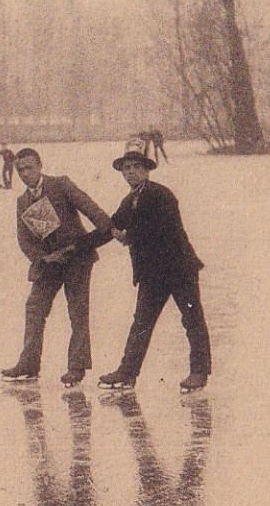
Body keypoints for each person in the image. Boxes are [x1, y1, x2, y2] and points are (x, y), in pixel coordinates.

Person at [85, 148, 210, 391]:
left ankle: (199, 372)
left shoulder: (161, 194)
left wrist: (129, 236)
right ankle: (127, 373)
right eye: (126, 168)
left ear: (146, 170)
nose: (130, 172)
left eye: (135, 167)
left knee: (192, 320)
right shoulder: (129, 200)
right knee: (141, 322)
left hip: (178, 268)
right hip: (152, 274)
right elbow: (112, 227)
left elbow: (160, 228)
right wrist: (78, 246)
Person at [1, 148, 112, 387]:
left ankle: (77, 367)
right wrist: (44, 258)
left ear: (40, 166)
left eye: (30, 167)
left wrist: (108, 230)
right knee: (34, 307)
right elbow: (24, 240)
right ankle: (29, 364)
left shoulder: (60, 185)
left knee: (77, 311)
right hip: (49, 263)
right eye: (20, 170)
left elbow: (90, 208)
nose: (25, 174)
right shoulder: (22, 201)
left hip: (76, 259)